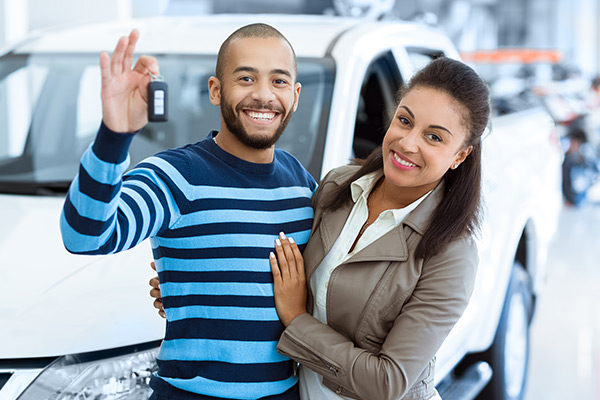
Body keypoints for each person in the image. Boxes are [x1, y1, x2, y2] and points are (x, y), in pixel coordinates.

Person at [152, 57, 491, 399]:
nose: (407, 143)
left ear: (459, 156)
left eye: (434, 137)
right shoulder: (336, 188)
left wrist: (297, 319)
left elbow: (387, 382)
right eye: (404, 121)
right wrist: (194, 285)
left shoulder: (452, 253)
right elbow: (280, 262)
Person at [60, 24, 316, 400]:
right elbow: (85, 237)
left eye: (278, 82)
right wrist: (114, 134)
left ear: (294, 96)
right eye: (246, 78)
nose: (263, 95)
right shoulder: (176, 176)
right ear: (216, 90)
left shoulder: (303, 185)